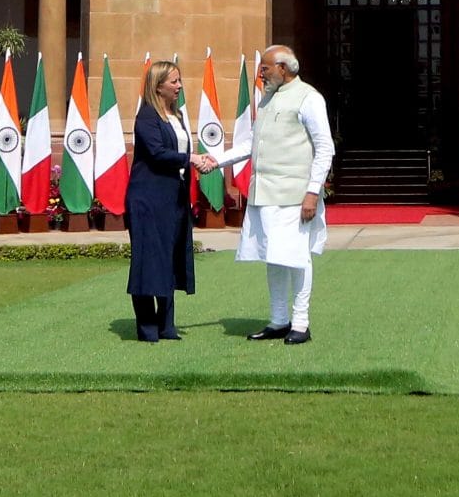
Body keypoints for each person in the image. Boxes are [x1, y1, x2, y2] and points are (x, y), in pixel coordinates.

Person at [197, 45, 331, 345]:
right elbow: (251, 145)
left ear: (284, 68)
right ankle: (279, 320)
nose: (262, 73)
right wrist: (216, 160)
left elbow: (325, 148)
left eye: (266, 68)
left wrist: (312, 192)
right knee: (274, 256)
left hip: (295, 194)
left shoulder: (309, 98)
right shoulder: (268, 100)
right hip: (265, 193)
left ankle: (300, 322)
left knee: (296, 257)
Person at [125, 59, 197, 341]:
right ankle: (147, 327)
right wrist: (191, 158)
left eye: (180, 81)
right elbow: (156, 154)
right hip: (147, 199)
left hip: (173, 198)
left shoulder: (177, 117)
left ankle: (167, 325)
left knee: (168, 257)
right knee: (147, 260)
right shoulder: (146, 116)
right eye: (174, 82)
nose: (179, 86)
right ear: (158, 86)